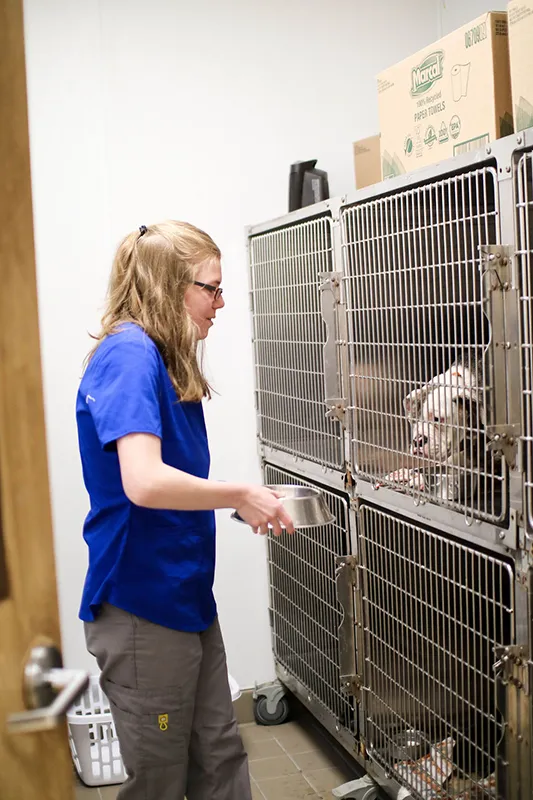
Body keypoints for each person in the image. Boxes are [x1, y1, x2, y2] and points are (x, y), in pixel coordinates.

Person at [76, 220, 294, 800]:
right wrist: (238, 494)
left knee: (219, 753)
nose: (220, 304)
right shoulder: (128, 355)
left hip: (185, 593)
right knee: (160, 778)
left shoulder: (163, 357)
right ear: (169, 286)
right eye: (211, 289)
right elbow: (144, 481)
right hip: (142, 604)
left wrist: (236, 499)